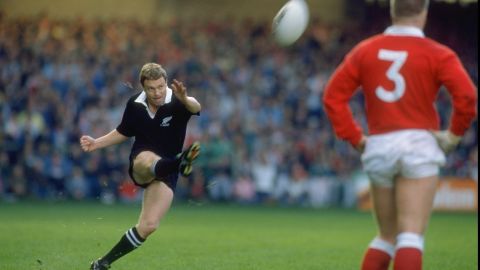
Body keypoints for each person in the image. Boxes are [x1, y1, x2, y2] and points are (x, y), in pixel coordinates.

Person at [322, 1, 477, 270]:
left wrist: (356, 138)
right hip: (418, 145)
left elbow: (332, 97)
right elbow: (467, 96)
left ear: (393, 10)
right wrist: (453, 135)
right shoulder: (438, 53)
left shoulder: (365, 50)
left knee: (385, 238)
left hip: (379, 145)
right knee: (410, 236)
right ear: (425, 11)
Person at [80, 63, 202, 270]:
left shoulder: (178, 99)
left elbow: (196, 106)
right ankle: (180, 163)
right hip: (142, 161)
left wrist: (184, 98)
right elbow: (123, 131)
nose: (157, 92)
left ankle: (102, 263)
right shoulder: (135, 105)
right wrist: (96, 143)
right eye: (151, 88)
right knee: (148, 159)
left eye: (161, 86)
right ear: (143, 88)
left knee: (148, 226)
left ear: (166, 83)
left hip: (167, 171)